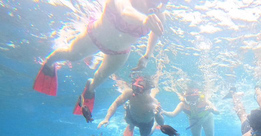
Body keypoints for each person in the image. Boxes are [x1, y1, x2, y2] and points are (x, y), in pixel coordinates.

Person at [33, 0, 167, 116]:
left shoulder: (159, 13)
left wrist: (147, 56)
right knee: (71, 55)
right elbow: (126, 12)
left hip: (120, 52)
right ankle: (50, 61)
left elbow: (157, 32)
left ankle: (90, 88)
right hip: (94, 37)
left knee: (99, 80)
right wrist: (145, 20)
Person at [97, 75, 164, 136]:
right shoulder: (130, 93)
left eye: (139, 89)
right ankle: (131, 124)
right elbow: (116, 103)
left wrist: (157, 115)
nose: (135, 91)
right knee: (127, 119)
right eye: (134, 87)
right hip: (132, 116)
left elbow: (161, 123)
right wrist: (107, 118)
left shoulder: (153, 104)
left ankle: (155, 124)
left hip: (145, 123)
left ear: (148, 91)